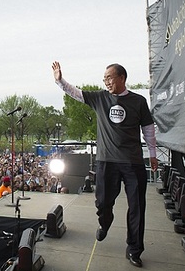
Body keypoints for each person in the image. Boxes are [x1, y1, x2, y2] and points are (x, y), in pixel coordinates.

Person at [52, 61, 158, 268]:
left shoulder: (138, 101)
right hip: (106, 162)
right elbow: (75, 93)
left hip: (133, 162)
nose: (106, 82)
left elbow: (148, 128)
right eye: (104, 79)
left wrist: (152, 154)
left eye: (109, 78)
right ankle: (105, 222)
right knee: (102, 202)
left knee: (137, 207)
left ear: (122, 78)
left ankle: (134, 249)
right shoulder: (100, 98)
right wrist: (60, 81)